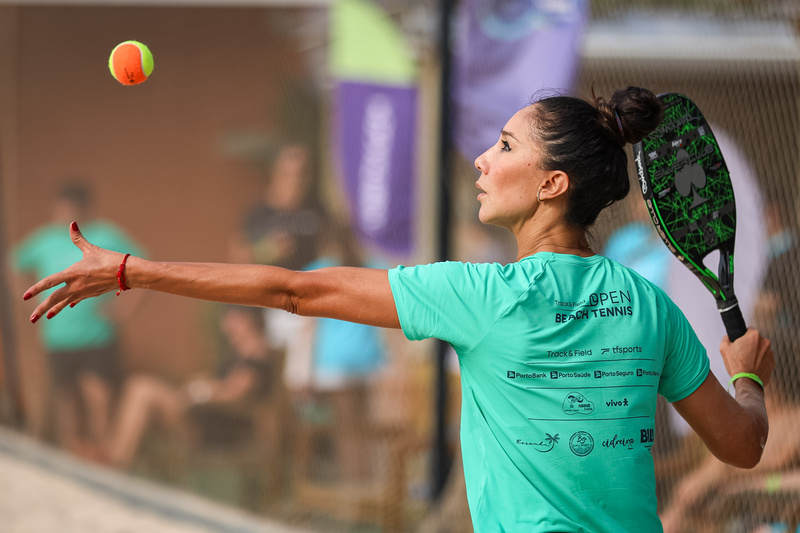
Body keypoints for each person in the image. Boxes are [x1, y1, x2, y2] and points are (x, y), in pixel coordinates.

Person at [24, 87, 774, 532]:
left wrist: (132, 270)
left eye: (505, 145)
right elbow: (742, 444)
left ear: (552, 184)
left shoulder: (481, 296)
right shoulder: (648, 305)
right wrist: (747, 378)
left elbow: (294, 289)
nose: (483, 159)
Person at [11, 181, 145, 459]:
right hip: (58, 337)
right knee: (67, 402)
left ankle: (107, 459)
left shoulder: (106, 235)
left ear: (85, 208)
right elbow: (14, 265)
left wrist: (124, 312)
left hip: (97, 335)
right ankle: (72, 462)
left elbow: (145, 265)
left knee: (98, 397)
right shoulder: (44, 239)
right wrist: (29, 303)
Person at [103, 305, 276, 469]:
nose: (225, 326)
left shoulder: (257, 354)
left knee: (142, 390)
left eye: (230, 319)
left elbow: (235, 392)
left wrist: (197, 392)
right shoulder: (238, 354)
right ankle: (115, 458)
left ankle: (116, 463)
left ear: (246, 320)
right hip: (199, 420)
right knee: (139, 388)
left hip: (213, 432)